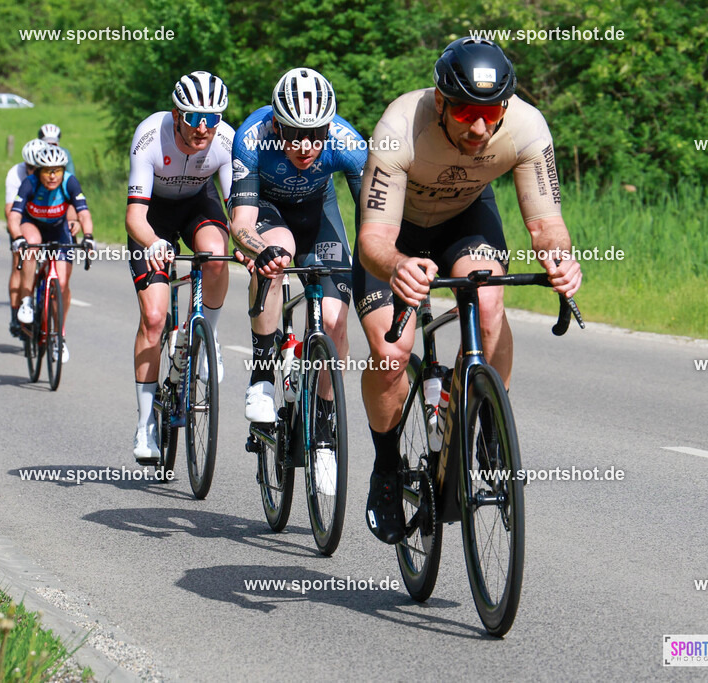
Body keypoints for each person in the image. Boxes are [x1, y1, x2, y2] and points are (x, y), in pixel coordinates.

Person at [353, 37, 582, 543]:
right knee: (391, 354)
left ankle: (486, 422)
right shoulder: (398, 129)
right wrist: (398, 266)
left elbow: (547, 226)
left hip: (464, 221)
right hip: (396, 234)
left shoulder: (526, 127)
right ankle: (386, 468)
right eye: (464, 113)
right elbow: (373, 241)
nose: (479, 128)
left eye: (490, 112)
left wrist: (561, 261)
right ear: (440, 101)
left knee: (489, 300)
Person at [229, 67, 366, 425]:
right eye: (294, 135)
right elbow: (241, 223)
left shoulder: (348, 144)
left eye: (316, 135)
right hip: (267, 210)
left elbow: (376, 219)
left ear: (329, 127)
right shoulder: (252, 137)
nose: (306, 147)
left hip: (317, 212)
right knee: (279, 252)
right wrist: (259, 249)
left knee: (334, 321)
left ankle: (323, 421)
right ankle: (261, 377)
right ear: (277, 126)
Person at [125, 70, 234, 462]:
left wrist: (248, 244)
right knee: (154, 319)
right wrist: (153, 242)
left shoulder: (226, 140)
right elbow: (134, 217)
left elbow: (237, 208)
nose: (203, 128)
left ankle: (207, 338)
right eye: (194, 118)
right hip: (153, 216)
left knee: (216, 256)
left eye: (212, 118)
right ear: (176, 114)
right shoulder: (150, 136)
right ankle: (145, 425)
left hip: (197, 205)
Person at [8, 145, 93, 363]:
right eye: (47, 171)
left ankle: (59, 337)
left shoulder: (70, 182)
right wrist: (17, 237)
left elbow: (83, 212)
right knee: (31, 245)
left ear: (63, 170)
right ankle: (27, 301)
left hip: (57, 228)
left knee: (62, 283)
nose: (52, 176)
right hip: (32, 224)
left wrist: (88, 236)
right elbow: (14, 216)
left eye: (57, 170)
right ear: (39, 171)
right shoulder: (30, 183)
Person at [3, 138, 49, 337]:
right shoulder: (15, 173)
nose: (34, 171)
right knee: (19, 264)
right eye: (30, 167)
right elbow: (10, 209)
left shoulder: (52, 174)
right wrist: (18, 234)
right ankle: (16, 312)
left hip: (47, 219)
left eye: (38, 167)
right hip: (22, 219)